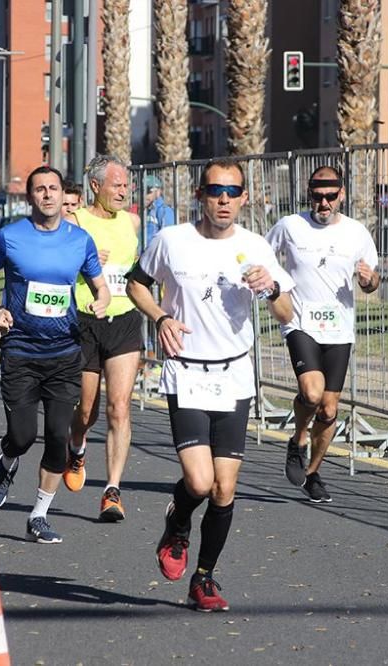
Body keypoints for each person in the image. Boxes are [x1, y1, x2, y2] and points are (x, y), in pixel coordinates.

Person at [126, 158, 294, 612]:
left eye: (232, 191)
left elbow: (287, 314)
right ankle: (177, 523)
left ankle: (204, 578)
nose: (223, 199)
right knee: (198, 483)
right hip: (186, 369)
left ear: (243, 198)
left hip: (234, 375)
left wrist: (273, 288)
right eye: (215, 190)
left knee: (224, 489)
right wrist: (160, 317)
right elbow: (136, 285)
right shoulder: (171, 241)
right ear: (200, 195)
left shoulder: (255, 246)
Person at [0, 166, 110, 543]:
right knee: (21, 436)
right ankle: (7, 462)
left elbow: (101, 286)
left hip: (65, 352)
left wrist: (101, 301)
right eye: (40, 189)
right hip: (20, 349)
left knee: (56, 437)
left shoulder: (79, 240)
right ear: (30, 196)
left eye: (53, 188)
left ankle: (38, 515)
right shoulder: (10, 236)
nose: (48, 195)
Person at [265, 165, 380, 503]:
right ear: (309, 195)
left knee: (329, 410)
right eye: (318, 197)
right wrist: (275, 287)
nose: (324, 203)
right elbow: (263, 255)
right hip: (300, 323)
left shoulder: (357, 232)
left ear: (341, 194)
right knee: (312, 393)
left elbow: (373, 281)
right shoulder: (290, 225)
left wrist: (367, 281)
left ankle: (313, 472)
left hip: (339, 330)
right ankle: (298, 439)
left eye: (331, 197)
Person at [65, 155, 142, 522]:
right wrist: (86, 260)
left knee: (120, 407)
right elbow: (56, 267)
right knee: (86, 409)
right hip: (84, 321)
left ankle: (112, 490)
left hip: (124, 320)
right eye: (117, 185)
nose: (124, 191)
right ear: (96, 186)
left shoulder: (132, 222)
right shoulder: (75, 221)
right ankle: (76, 447)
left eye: (126, 185)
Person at [143, 174, 175, 247]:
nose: (144, 195)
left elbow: (168, 237)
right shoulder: (145, 210)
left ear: (158, 192)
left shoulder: (164, 210)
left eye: (148, 192)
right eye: (142, 191)